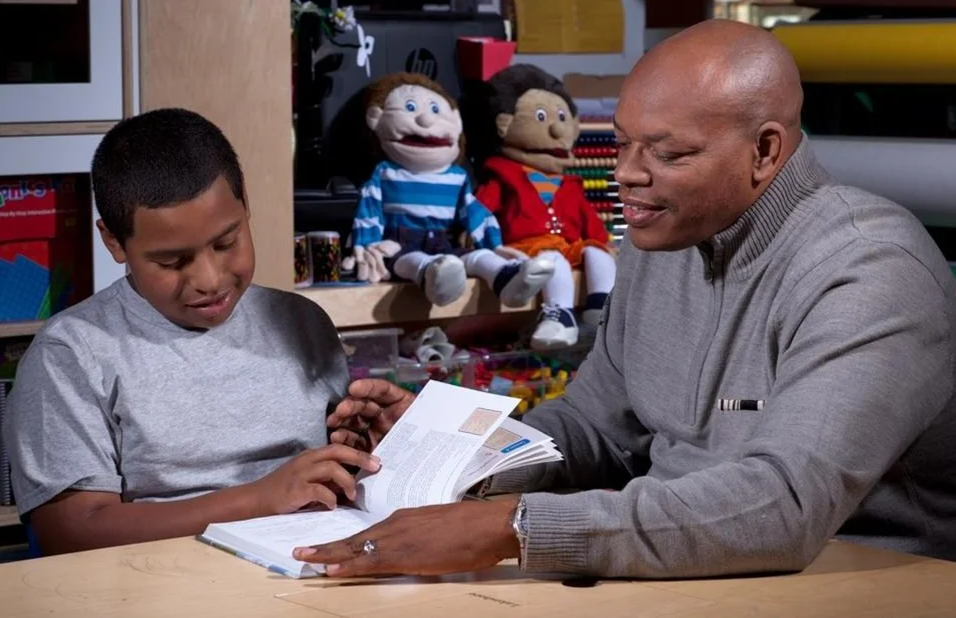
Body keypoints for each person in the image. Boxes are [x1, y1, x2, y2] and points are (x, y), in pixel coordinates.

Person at [295, 19, 956, 578]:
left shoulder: (868, 268)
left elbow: (782, 506)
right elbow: (593, 432)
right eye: (620, 143)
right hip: (690, 579)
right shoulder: (655, 238)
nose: (626, 176)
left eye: (667, 154)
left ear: (764, 151)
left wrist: (513, 527)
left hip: (852, 581)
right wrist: (458, 449)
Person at [3, 108, 380, 555]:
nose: (209, 278)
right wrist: (259, 499)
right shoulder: (71, 354)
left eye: (227, 242)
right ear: (114, 242)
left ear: (245, 209)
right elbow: (70, 530)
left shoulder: (302, 321)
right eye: (171, 261)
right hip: (160, 584)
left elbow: (331, 470)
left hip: (308, 567)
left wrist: (375, 446)